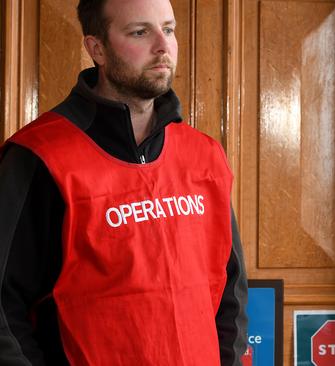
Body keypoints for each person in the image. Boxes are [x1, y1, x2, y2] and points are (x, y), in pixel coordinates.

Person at [0, 0, 248, 364]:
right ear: (96, 48)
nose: (163, 46)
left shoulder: (205, 156)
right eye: (140, 32)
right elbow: (5, 306)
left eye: (168, 29)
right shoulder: (39, 156)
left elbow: (231, 292)